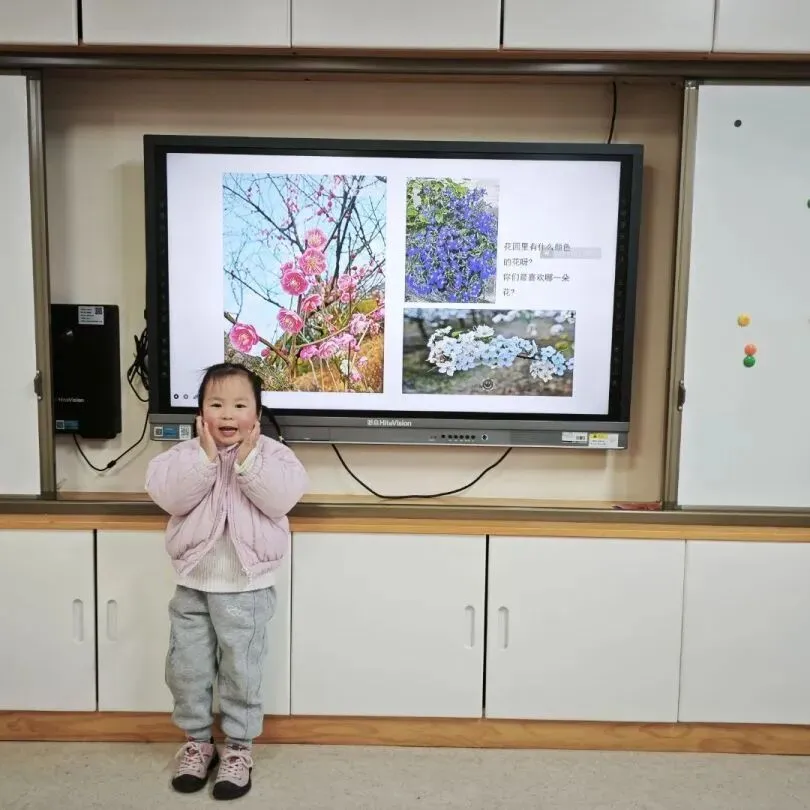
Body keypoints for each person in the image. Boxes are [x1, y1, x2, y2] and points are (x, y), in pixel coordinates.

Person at [145, 362, 309, 800]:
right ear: (201, 412)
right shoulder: (183, 455)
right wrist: (204, 458)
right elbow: (171, 497)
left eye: (239, 405)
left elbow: (281, 500)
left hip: (248, 588)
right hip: (193, 584)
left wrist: (248, 461)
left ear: (257, 413)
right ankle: (197, 743)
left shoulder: (274, 456)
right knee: (187, 668)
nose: (228, 414)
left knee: (242, 672)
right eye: (216, 404)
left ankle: (238, 748)